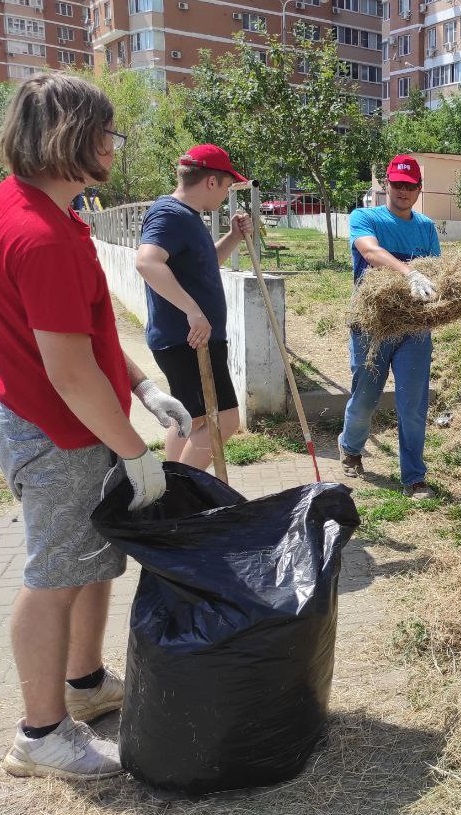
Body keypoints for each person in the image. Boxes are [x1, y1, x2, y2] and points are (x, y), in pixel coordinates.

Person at [0, 73, 192, 780]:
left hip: (81, 422)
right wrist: (131, 446)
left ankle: (84, 683)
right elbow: (69, 371)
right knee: (54, 573)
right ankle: (42, 732)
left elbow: (93, 329)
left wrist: (142, 385)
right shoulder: (40, 233)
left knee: (92, 558)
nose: (114, 144)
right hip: (60, 431)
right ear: (71, 138)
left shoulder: (57, 213)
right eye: (107, 131)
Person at [135, 144, 252, 470]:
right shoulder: (170, 214)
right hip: (189, 339)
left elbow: (203, 265)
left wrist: (232, 238)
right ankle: (181, 496)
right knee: (224, 421)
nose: (225, 194)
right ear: (211, 182)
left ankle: (171, 487)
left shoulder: (186, 217)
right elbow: (147, 262)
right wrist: (193, 311)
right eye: (227, 186)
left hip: (190, 339)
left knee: (191, 420)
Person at [339, 155, 439, 499]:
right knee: (366, 396)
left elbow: (437, 270)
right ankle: (351, 446)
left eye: (410, 186)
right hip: (372, 325)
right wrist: (408, 272)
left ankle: (414, 476)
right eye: (397, 184)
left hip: (414, 328)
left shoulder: (425, 226)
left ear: (418, 189)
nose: (403, 191)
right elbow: (369, 252)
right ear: (387, 184)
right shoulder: (365, 217)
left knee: (413, 404)